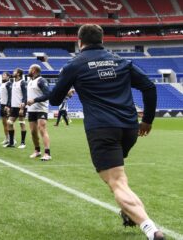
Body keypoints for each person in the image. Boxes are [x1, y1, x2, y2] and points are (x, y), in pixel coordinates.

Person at [49, 24, 163, 240]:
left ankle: (150, 229)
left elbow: (55, 99)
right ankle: (128, 212)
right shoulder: (121, 61)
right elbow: (149, 86)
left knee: (116, 181)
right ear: (102, 40)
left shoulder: (75, 64)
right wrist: (147, 120)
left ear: (79, 41)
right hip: (130, 128)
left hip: (102, 128)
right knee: (119, 177)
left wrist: (69, 84)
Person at [25, 64, 52, 161]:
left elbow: (48, 95)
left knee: (42, 129)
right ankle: (37, 151)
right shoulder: (29, 82)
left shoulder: (41, 80)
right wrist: (23, 104)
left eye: (29, 69)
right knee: (33, 132)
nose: (28, 71)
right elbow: (28, 97)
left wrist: (34, 100)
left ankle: (47, 153)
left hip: (41, 109)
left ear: (33, 70)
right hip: (31, 110)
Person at [6, 68, 27, 148]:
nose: (13, 72)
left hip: (20, 106)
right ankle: (12, 142)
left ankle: (22, 143)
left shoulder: (22, 82)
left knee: (22, 123)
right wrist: (9, 106)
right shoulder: (13, 82)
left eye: (14, 71)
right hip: (14, 107)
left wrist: (22, 107)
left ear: (18, 74)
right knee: (9, 122)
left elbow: (25, 95)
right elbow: (11, 96)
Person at [0, 72, 12, 145]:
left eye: (4, 75)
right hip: (2, 105)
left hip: (7, 105)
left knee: (10, 123)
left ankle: (13, 139)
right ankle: (7, 138)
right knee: (4, 123)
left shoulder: (9, 84)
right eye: (2, 75)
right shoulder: (1, 85)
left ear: (8, 77)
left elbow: (10, 95)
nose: (3, 76)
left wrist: (8, 105)